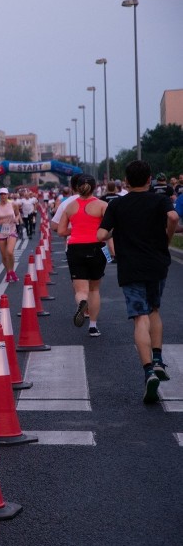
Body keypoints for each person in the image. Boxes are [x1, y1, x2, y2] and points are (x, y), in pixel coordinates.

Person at [97, 160, 178, 403]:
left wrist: (116, 230)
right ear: (150, 178)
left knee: (139, 317)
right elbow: (173, 216)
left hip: (130, 266)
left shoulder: (119, 204)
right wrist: (167, 237)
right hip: (157, 263)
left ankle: (148, 372)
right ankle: (158, 359)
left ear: (127, 181)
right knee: (154, 310)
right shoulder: (159, 199)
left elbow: (101, 234)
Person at [57, 174, 108, 337]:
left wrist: (78, 229)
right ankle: (93, 326)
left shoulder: (70, 206)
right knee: (94, 289)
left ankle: (81, 303)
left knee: (81, 289)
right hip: (96, 248)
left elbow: (61, 231)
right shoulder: (102, 205)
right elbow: (109, 230)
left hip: (75, 248)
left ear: (76, 188)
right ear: (95, 187)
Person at [0, 188, 20, 282]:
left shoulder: (13, 204)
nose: (3, 196)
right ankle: (8, 272)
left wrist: (16, 219)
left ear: (8, 195)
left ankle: (12, 271)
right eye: (1, 194)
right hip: (0, 232)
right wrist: (0, 221)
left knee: (10, 252)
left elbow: (18, 214)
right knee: (4, 255)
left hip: (11, 230)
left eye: (5, 194)